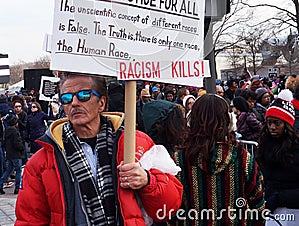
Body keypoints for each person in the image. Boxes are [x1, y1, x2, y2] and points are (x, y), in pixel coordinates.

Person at [15, 72, 183, 225]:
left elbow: (169, 207)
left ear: (102, 103)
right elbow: (29, 220)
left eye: (83, 95)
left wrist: (148, 181)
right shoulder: (41, 162)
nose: (74, 103)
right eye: (66, 98)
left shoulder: (137, 143)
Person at [174, 94, 265, 226]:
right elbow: (258, 206)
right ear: (228, 121)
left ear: (191, 121)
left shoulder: (179, 160)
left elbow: (171, 210)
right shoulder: (244, 159)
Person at [257, 89, 299, 225]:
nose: (272, 127)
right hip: (272, 208)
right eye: (269, 123)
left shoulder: (296, 148)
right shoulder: (265, 145)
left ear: (286, 125)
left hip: (293, 208)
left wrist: (279, 198)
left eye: (277, 123)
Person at [0, 115, 24, 195]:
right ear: (15, 123)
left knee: (8, 170)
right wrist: (21, 148)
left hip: (9, 154)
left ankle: (0, 185)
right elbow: (17, 144)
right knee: (18, 171)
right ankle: (17, 188)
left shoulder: (6, 131)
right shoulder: (15, 132)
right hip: (16, 154)